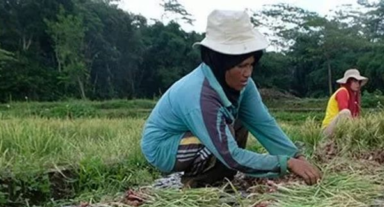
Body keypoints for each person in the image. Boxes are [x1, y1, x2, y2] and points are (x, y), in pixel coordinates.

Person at [141, 10, 322, 187]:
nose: (248, 73)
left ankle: (221, 176)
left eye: (251, 64)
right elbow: (230, 154)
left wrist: (296, 157)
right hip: (165, 146)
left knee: (237, 121)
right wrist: (286, 163)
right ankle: (197, 182)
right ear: (221, 63)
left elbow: (263, 123)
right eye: (241, 66)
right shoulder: (200, 97)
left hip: (197, 134)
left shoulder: (244, 85)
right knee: (221, 134)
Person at [321, 69, 368, 139]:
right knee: (345, 112)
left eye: (359, 82)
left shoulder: (354, 96)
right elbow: (344, 114)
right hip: (328, 130)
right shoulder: (342, 92)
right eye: (355, 81)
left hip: (339, 129)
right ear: (348, 82)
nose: (357, 84)